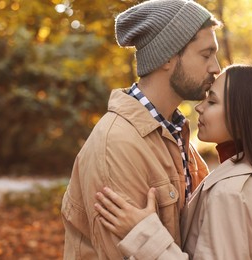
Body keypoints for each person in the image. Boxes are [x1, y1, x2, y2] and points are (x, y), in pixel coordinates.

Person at [61, 0, 222, 258]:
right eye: (206, 54)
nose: (216, 67)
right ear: (168, 56)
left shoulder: (174, 133)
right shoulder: (118, 144)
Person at [94, 64, 252, 259]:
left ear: (244, 118)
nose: (199, 107)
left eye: (212, 101)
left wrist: (144, 235)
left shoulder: (230, 192)